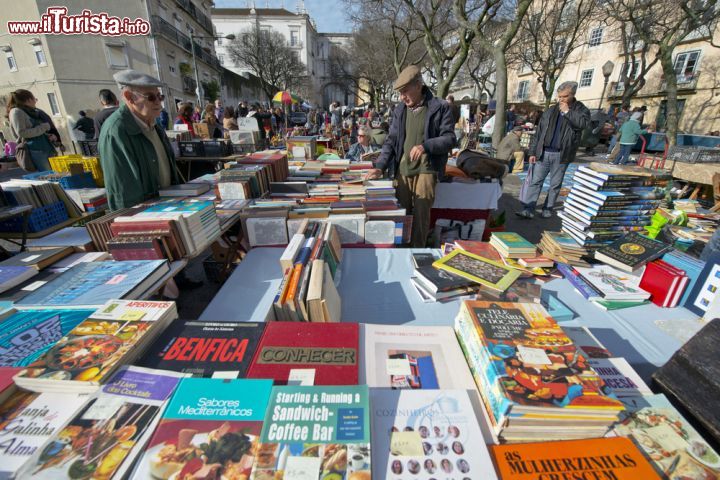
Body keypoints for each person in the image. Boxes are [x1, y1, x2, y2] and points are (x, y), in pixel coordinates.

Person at [367, 65, 456, 247]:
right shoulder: (400, 110)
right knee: (401, 213)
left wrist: (426, 146)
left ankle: (417, 252)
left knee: (422, 214)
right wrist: (379, 167)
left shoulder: (440, 107)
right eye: (400, 93)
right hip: (403, 169)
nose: (402, 97)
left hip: (427, 169)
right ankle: (400, 249)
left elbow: (450, 139)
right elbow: (390, 141)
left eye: (405, 91)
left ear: (419, 85)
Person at [98, 69, 180, 210]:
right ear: (129, 97)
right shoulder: (116, 131)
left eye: (159, 97)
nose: (158, 103)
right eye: (150, 97)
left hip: (167, 206)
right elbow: (122, 193)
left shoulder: (155, 125)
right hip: (146, 213)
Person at [517, 81, 590, 219]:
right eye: (560, 96)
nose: (561, 99)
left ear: (573, 95)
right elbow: (539, 133)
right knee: (535, 181)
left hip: (562, 154)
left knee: (555, 184)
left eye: (565, 96)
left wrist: (567, 112)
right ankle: (528, 209)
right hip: (544, 152)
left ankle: (547, 208)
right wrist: (532, 152)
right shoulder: (551, 110)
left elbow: (583, 124)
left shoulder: (581, 109)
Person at [6, 89, 57, 171]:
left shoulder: (28, 111)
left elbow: (33, 130)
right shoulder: (16, 112)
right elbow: (22, 133)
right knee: (48, 175)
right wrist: (43, 127)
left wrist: (48, 135)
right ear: (28, 100)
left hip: (44, 147)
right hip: (36, 150)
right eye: (34, 99)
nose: (35, 102)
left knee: (55, 174)